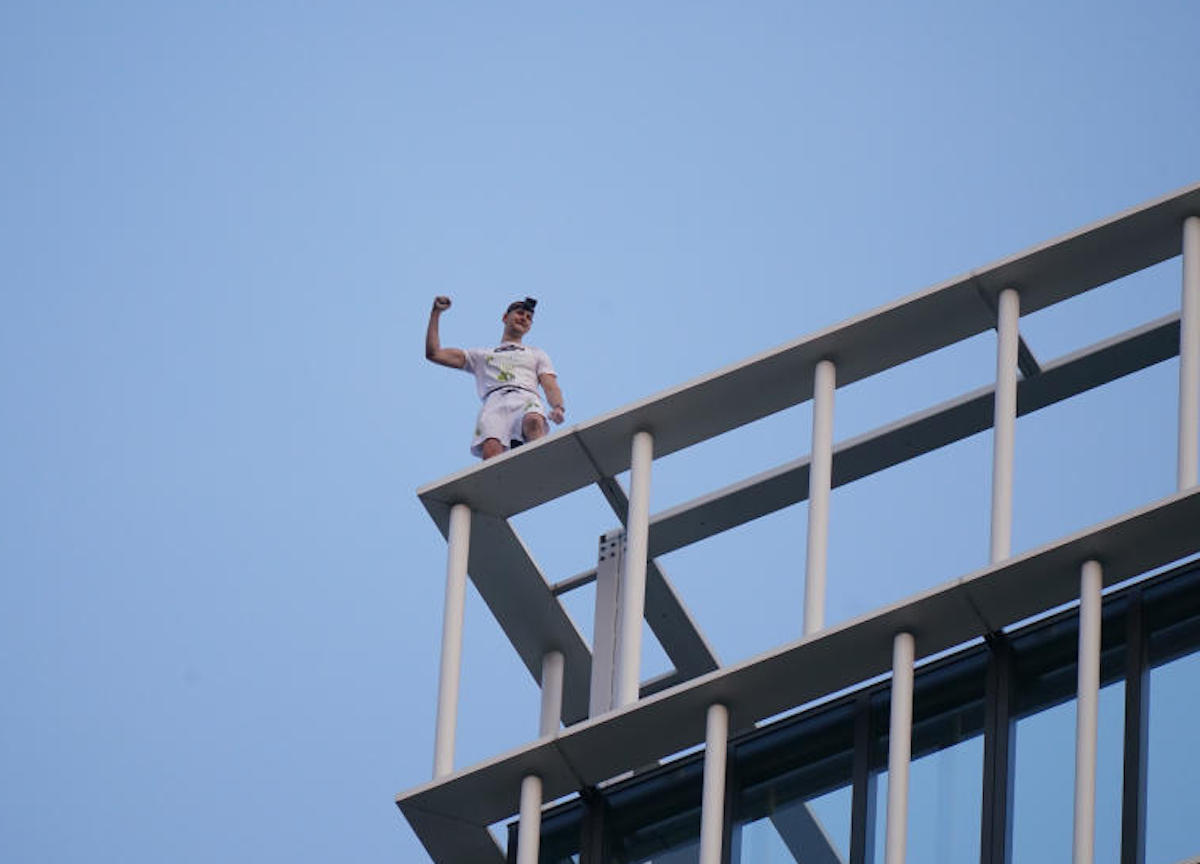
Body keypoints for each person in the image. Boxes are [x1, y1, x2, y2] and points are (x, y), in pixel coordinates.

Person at [425, 295, 566, 459]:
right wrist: (436, 313)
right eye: (520, 313)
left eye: (529, 318)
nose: (524, 319)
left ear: (530, 327)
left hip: (526, 397)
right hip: (494, 402)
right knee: (491, 448)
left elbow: (550, 384)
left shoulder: (536, 353)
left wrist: (558, 407)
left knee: (534, 421)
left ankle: (541, 465)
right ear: (505, 317)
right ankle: (497, 481)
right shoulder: (481, 355)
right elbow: (434, 353)